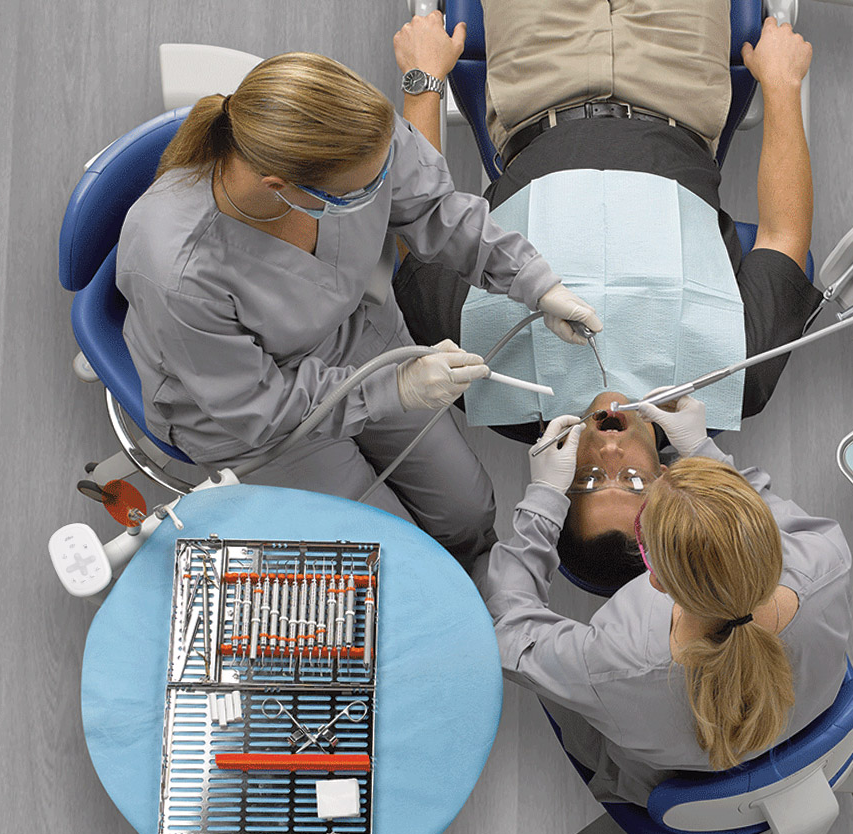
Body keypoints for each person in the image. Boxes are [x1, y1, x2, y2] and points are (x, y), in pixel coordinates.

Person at [117, 52, 601, 569]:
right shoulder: (178, 270)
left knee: (467, 509)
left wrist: (534, 282)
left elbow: (433, 208)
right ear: (281, 188)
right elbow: (258, 409)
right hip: (251, 414)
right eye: (362, 191)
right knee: (389, 556)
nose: (381, 192)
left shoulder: (357, 132)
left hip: (359, 337)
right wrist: (397, 390)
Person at [391, 5, 816, 570]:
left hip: (537, 90)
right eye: (632, 480)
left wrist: (423, 80)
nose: (611, 449)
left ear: (553, 479)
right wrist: (782, 86)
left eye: (590, 479)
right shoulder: (734, 380)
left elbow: (420, 225)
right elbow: (784, 236)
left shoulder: (469, 370)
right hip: (679, 88)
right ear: (666, 481)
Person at [484, 397, 851, 805]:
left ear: (653, 578)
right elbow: (760, 512)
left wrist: (542, 499)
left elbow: (510, 633)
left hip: (684, 795)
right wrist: (701, 448)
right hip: (817, 735)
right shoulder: (826, 559)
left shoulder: (611, 663)